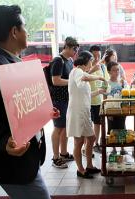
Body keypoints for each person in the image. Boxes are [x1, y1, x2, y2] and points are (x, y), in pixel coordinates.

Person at [0, 5, 52, 199]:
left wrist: (44, 110)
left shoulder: (14, 63)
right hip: (14, 165)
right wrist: (4, 143)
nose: (28, 31)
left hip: (28, 160)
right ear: (14, 31)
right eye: (25, 27)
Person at [66, 51, 105, 178]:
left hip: (84, 112)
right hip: (77, 112)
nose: (91, 64)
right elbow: (83, 78)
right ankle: (81, 169)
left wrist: (98, 91)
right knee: (79, 141)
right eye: (91, 61)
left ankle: (89, 165)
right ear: (86, 61)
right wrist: (98, 77)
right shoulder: (77, 71)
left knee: (92, 138)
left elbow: (85, 94)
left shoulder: (82, 73)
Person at [50, 37, 79, 168]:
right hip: (58, 100)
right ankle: (55, 157)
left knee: (65, 128)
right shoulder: (58, 60)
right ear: (67, 46)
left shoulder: (70, 60)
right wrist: (71, 82)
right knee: (58, 128)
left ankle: (64, 153)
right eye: (74, 49)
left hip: (67, 99)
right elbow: (55, 81)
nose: (75, 52)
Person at [87, 45, 110, 154]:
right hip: (86, 101)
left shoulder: (103, 67)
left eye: (99, 56)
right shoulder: (86, 66)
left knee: (97, 123)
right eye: (94, 56)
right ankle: (86, 147)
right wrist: (92, 70)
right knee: (87, 124)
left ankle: (96, 144)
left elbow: (106, 81)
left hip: (98, 100)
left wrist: (106, 91)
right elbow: (81, 78)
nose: (97, 58)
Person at [106, 61, 128, 154]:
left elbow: (127, 95)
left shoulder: (123, 82)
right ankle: (114, 148)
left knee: (122, 127)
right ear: (109, 72)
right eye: (114, 70)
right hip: (111, 110)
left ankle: (122, 148)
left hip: (121, 110)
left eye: (118, 70)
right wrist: (107, 112)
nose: (117, 72)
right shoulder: (106, 83)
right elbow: (103, 97)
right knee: (112, 129)